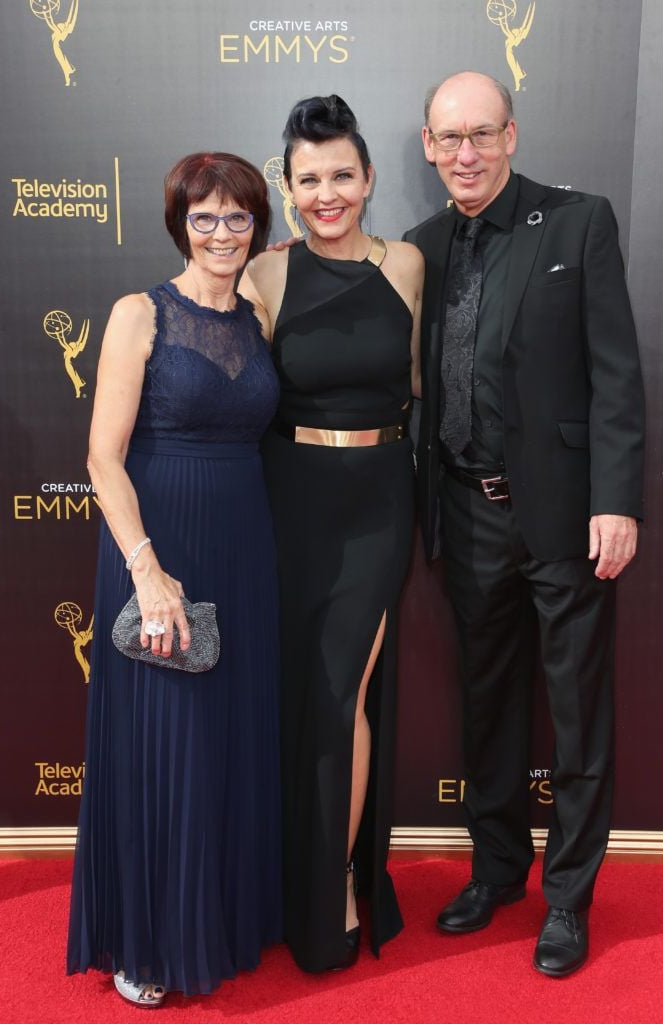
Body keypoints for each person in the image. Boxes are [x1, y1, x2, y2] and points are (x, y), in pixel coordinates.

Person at [404, 72, 645, 977]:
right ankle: (497, 871)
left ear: (510, 134)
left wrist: (615, 498)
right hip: (464, 516)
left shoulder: (578, 222)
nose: (464, 153)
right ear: (426, 147)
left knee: (577, 714)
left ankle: (569, 900)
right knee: (489, 708)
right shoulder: (421, 248)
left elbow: (616, 373)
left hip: (565, 516)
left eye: (480, 134)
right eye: (447, 138)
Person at [66, 152, 283, 1004]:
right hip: (159, 546)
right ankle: (147, 939)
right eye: (205, 218)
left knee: (227, 736)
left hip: (245, 544)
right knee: (168, 741)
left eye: (237, 219)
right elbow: (100, 457)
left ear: (255, 226)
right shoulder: (138, 313)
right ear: (179, 224)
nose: (222, 234)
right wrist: (146, 573)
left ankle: (220, 917)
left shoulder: (259, 309)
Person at [239, 95, 424, 973]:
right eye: (307, 179)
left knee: (341, 692)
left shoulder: (408, 266)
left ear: (368, 177)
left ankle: (337, 887)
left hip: (380, 501)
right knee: (296, 695)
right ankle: (285, 880)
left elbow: (421, 383)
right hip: (287, 498)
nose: (325, 194)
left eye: (341, 175)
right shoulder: (265, 275)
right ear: (286, 187)